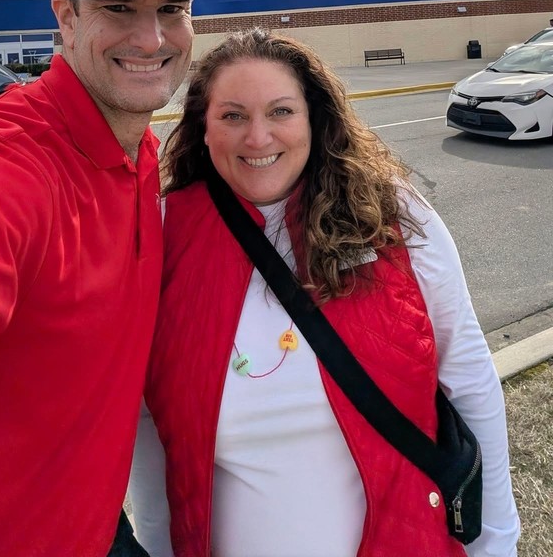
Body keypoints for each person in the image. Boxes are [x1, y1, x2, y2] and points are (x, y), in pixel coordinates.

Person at [131, 28, 520, 557]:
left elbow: (469, 376)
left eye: (281, 112)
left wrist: (496, 542)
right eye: (233, 115)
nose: (258, 137)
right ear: (203, 128)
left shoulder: (392, 216)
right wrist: (157, 544)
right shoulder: (163, 233)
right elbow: (151, 424)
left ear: (315, 119)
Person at [0, 0, 221, 557]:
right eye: (118, 6)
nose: (151, 38)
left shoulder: (141, 154)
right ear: (65, 16)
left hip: (99, 528)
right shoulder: (8, 166)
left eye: (173, 7)